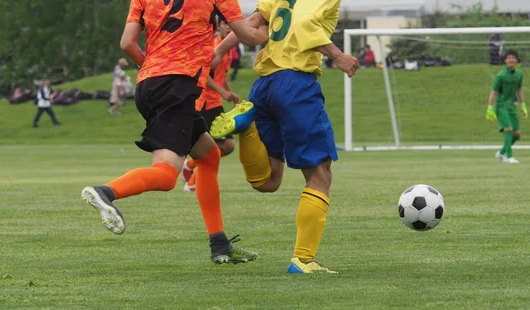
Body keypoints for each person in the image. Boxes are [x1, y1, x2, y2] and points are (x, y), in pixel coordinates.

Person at [80, 0, 268, 264]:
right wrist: (274, 31)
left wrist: (155, 68)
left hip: (151, 83)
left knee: (209, 156)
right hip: (176, 85)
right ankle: (106, 192)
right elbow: (248, 36)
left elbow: (127, 44)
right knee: (167, 175)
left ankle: (220, 244)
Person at [209, 0, 360, 273]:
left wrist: (218, 51)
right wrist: (337, 55)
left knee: (268, 181)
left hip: (263, 87)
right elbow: (303, 25)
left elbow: (252, 23)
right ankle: (303, 261)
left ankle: (247, 128)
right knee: (320, 174)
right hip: (295, 84)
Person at [181, 16, 240, 192]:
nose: (229, 28)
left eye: (232, 24)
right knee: (225, 145)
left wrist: (229, 92)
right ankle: (192, 180)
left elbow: (222, 74)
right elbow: (204, 76)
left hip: (215, 102)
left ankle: (190, 167)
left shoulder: (228, 47)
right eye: (226, 24)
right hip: (205, 102)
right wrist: (222, 92)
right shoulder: (214, 46)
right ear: (219, 25)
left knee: (223, 146)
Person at [486, 50, 528, 164]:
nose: (511, 60)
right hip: (501, 106)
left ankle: (501, 152)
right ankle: (509, 156)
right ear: (505, 60)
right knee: (508, 128)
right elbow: (493, 91)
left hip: (512, 107)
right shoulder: (500, 76)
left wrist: (523, 104)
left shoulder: (519, 74)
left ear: (516, 60)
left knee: (517, 134)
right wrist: (490, 107)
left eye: (513, 58)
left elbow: (519, 90)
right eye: (509, 58)